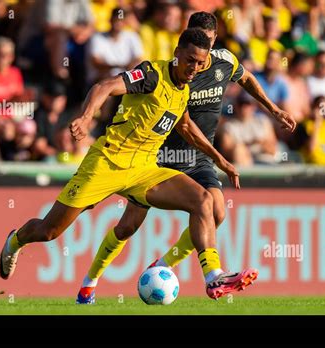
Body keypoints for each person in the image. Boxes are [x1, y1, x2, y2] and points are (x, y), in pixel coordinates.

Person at [0, 29, 256, 302]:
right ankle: (16, 240)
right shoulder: (152, 74)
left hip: (144, 169)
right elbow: (105, 87)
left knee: (203, 200)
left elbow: (187, 128)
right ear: (177, 52)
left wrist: (221, 160)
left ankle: (213, 276)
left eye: (200, 63)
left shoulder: (183, 90)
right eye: (190, 60)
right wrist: (86, 118)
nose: (194, 68)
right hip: (107, 162)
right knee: (49, 231)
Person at [75, 13, 296, 304]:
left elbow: (247, 79)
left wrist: (273, 109)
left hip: (198, 155)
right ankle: (90, 283)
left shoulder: (224, 62)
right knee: (128, 226)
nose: (200, 51)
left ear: (215, 39)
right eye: (195, 36)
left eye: (208, 39)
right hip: (160, 154)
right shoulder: (177, 68)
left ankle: (177, 268)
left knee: (216, 212)